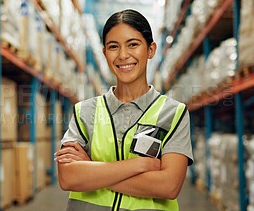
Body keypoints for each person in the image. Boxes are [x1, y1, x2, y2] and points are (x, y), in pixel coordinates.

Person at [55, 9, 194, 211]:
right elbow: (68, 178)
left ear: (151, 49)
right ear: (104, 53)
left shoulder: (173, 113)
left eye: (133, 44)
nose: (123, 55)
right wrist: (140, 165)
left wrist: (92, 168)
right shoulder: (84, 112)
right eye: (113, 47)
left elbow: (169, 186)